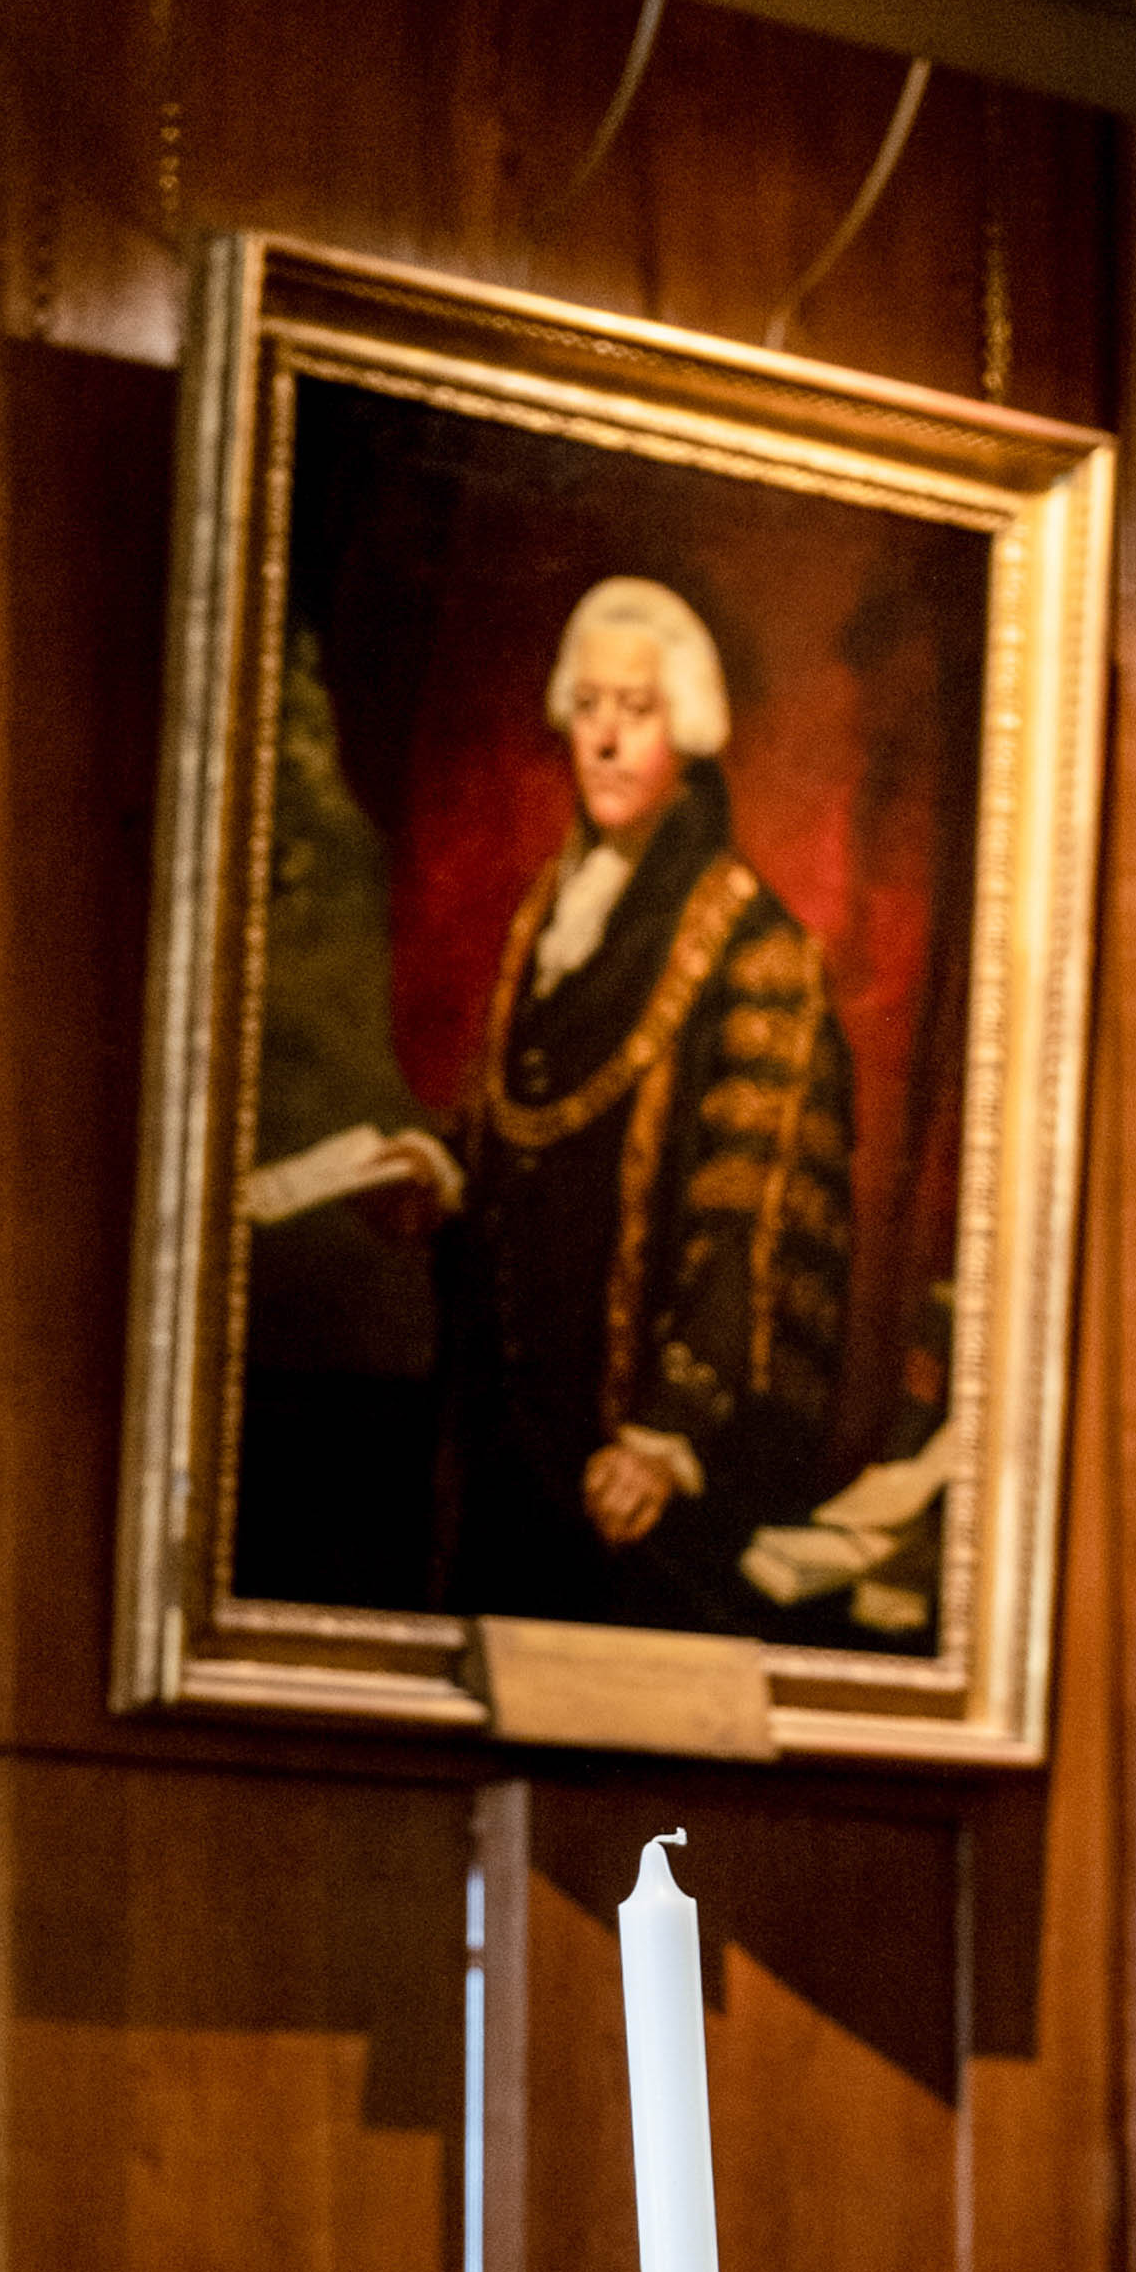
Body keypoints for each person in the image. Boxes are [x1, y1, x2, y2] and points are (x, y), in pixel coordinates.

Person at [423, 577, 857, 1633]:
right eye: (589, 709)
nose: (606, 741)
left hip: (640, 1483)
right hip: (508, 1445)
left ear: (691, 731)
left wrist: (667, 1433)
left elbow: (748, 1221)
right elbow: (518, 1137)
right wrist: (437, 1179)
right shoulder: (549, 913)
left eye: (638, 711)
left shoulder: (757, 953)